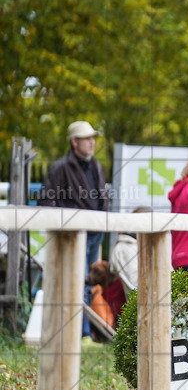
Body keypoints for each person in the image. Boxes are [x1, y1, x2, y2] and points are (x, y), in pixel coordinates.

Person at [38, 120, 111, 337]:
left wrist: (103, 220)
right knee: (73, 283)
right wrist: (68, 225)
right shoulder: (60, 168)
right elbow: (45, 202)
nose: (92, 142)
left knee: (87, 284)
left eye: (93, 138)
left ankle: (83, 331)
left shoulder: (96, 165)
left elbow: (102, 198)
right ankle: (80, 332)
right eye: (87, 138)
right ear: (74, 142)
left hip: (94, 233)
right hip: (73, 236)